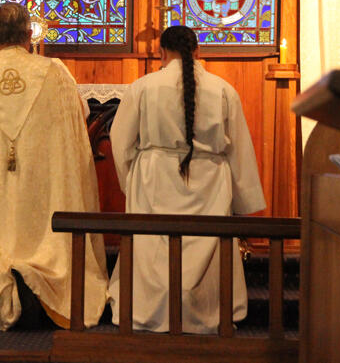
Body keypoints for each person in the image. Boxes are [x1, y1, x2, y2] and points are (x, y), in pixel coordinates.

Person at [0, 2, 109, 330]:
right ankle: (44, 282)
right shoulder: (55, 73)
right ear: (29, 36)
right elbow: (80, 117)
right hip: (42, 187)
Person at [108, 25, 266, 334]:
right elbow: (240, 148)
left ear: (162, 52)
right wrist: (243, 197)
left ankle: (149, 311)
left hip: (155, 176)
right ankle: (206, 313)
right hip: (209, 179)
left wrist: (131, 179)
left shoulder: (144, 86)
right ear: (197, 51)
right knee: (205, 243)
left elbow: (120, 139)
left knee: (154, 247)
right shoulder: (223, 89)